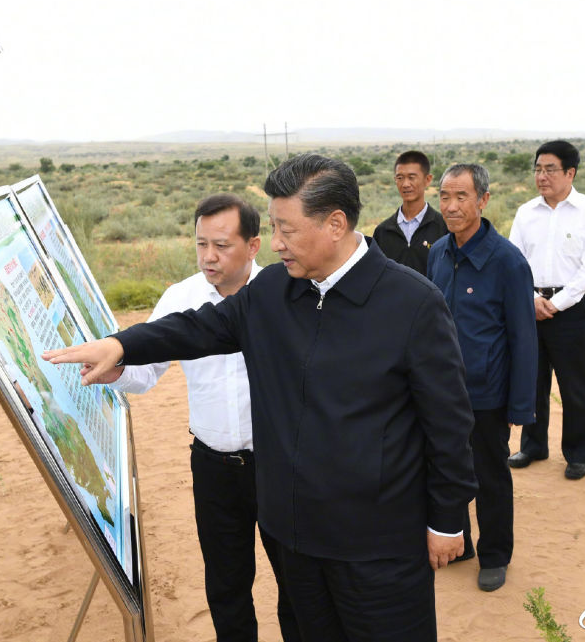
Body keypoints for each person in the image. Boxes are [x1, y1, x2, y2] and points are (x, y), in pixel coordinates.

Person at [45, 154, 478, 642]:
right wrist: (121, 346)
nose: (274, 244)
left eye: (286, 230)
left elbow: (448, 423)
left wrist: (447, 519)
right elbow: (198, 327)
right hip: (296, 537)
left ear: (335, 224)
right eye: (273, 227)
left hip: (379, 545)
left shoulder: (412, 302)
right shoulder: (274, 289)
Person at [108, 193, 299, 641]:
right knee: (227, 584)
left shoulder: (283, 291)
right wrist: (114, 368)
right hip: (214, 467)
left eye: (221, 245)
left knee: (297, 582)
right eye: (201, 244)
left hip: (280, 464)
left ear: (253, 246)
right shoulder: (182, 297)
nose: (209, 257)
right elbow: (144, 371)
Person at [427, 164, 536, 592]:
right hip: (442, 390)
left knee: (489, 476)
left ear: (483, 200)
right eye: (445, 196)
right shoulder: (438, 252)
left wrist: (520, 406)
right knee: (446, 468)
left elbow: (523, 339)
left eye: (462, 197)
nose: (451, 206)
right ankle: (460, 544)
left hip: (487, 392)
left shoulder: (507, 261)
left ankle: (495, 554)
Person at [507, 140, 585, 480]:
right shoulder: (526, 213)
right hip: (530, 306)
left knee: (575, 383)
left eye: (550, 169)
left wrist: (556, 302)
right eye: (537, 169)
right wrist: (532, 298)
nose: (542, 176)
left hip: (572, 309)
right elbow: (514, 262)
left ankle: (578, 453)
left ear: (570, 172)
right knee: (531, 379)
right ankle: (533, 445)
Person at [372, 150, 448, 276]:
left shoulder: (443, 228)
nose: (405, 184)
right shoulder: (383, 231)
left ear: (428, 180)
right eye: (400, 178)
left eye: (412, 177)